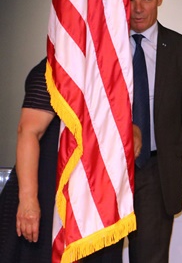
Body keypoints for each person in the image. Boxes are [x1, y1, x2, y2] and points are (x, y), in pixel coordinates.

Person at [0, 59, 126, 263]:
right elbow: (27, 131)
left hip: (95, 198)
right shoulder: (53, 70)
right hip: (46, 196)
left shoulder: (109, 70)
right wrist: (29, 201)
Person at [127, 0, 182, 263]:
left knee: (151, 256)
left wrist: (166, 146)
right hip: (106, 171)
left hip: (156, 172)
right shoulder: (102, 50)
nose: (138, 9)